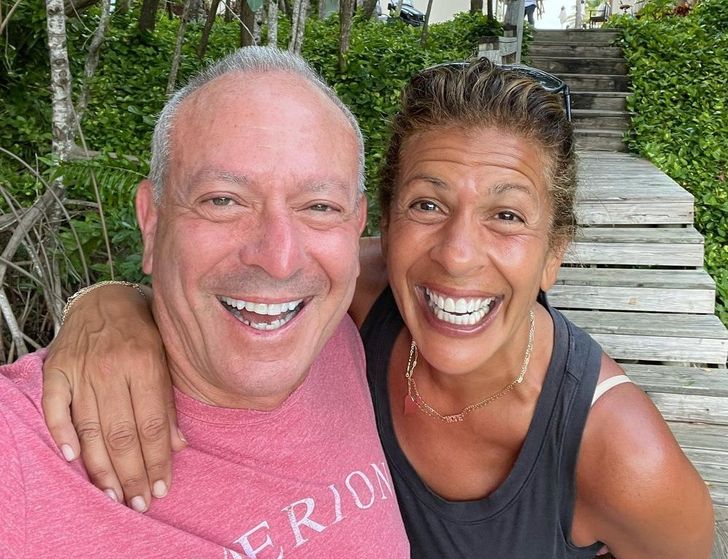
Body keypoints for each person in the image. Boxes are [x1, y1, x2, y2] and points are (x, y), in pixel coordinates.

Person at [39, 60, 715, 558]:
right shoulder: (361, 294)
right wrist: (107, 304)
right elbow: (257, 273)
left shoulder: (626, 457)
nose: (457, 255)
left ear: (553, 254)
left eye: (507, 215)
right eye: (427, 204)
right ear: (384, 227)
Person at [0, 46, 410, 558]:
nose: (279, 259)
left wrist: (103, 297)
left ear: (355, 226)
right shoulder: (20, 449)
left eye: (319, 206)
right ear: (152, 222)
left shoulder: (342, 333)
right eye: (223, 200)